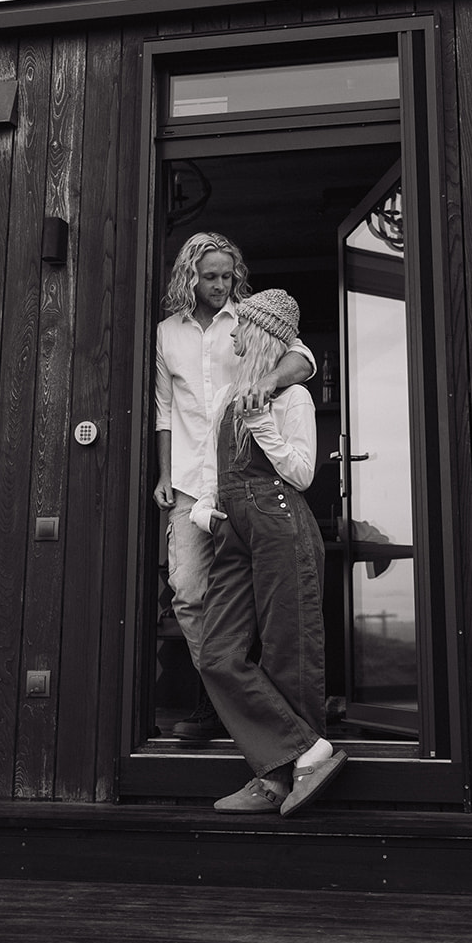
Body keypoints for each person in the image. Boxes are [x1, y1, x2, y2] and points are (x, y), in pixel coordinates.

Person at [189, 288, 346, 815]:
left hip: (280, 520)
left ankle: (277, 780)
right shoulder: (227, 396)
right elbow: (212, 466)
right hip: (232, 528)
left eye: (239, 328)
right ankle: (307, 751)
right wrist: (205, 507)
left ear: (256, 334)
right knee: (218, 655)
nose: (230, 334)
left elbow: (302, 473)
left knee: (288, 650)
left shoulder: (292, 396)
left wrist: (264, 428)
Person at [153, 233, 315, 742]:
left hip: (246, 472)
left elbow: (302, 359)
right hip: (188, 478)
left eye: (228, 275)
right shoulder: (165, 333)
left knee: (251, 599)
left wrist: (266, 385)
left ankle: (231, 709)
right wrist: (163, 474)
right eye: (211, 277)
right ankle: (230, 699)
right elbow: (164, 410)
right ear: (190, 278)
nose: (222, 285)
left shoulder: (251, 319)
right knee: (188, 590)